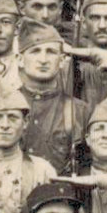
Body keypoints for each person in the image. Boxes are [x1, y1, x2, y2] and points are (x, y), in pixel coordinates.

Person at [15, 20, 89, 174]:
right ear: (20, 60)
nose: (43, 59)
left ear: (62, 60)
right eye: (35, 51)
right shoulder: (1, 106)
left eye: (51, 52)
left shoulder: (80, 111)